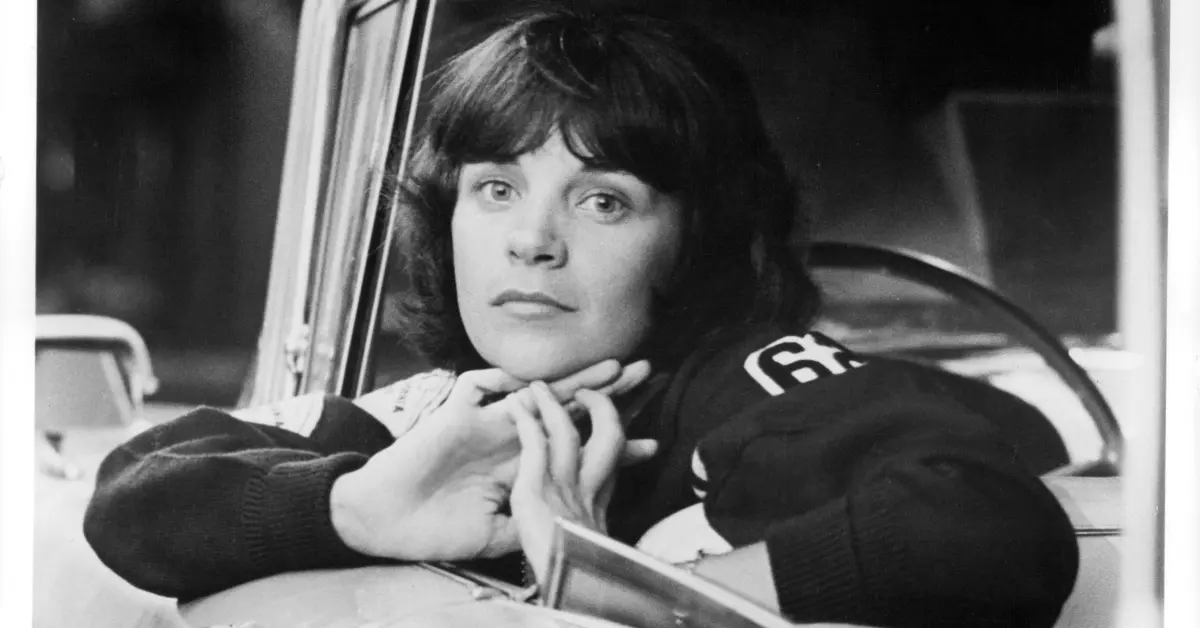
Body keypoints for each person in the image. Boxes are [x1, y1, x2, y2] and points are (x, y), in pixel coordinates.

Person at [84, 7, 1079, 627]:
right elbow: (135, 496)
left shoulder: (749, 386)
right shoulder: (442, 415)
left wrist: (607, 581)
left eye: (603, 200)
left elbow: (989, 522)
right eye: (495, 189)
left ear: (691, 238)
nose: (533, 241)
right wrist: (358, 505)